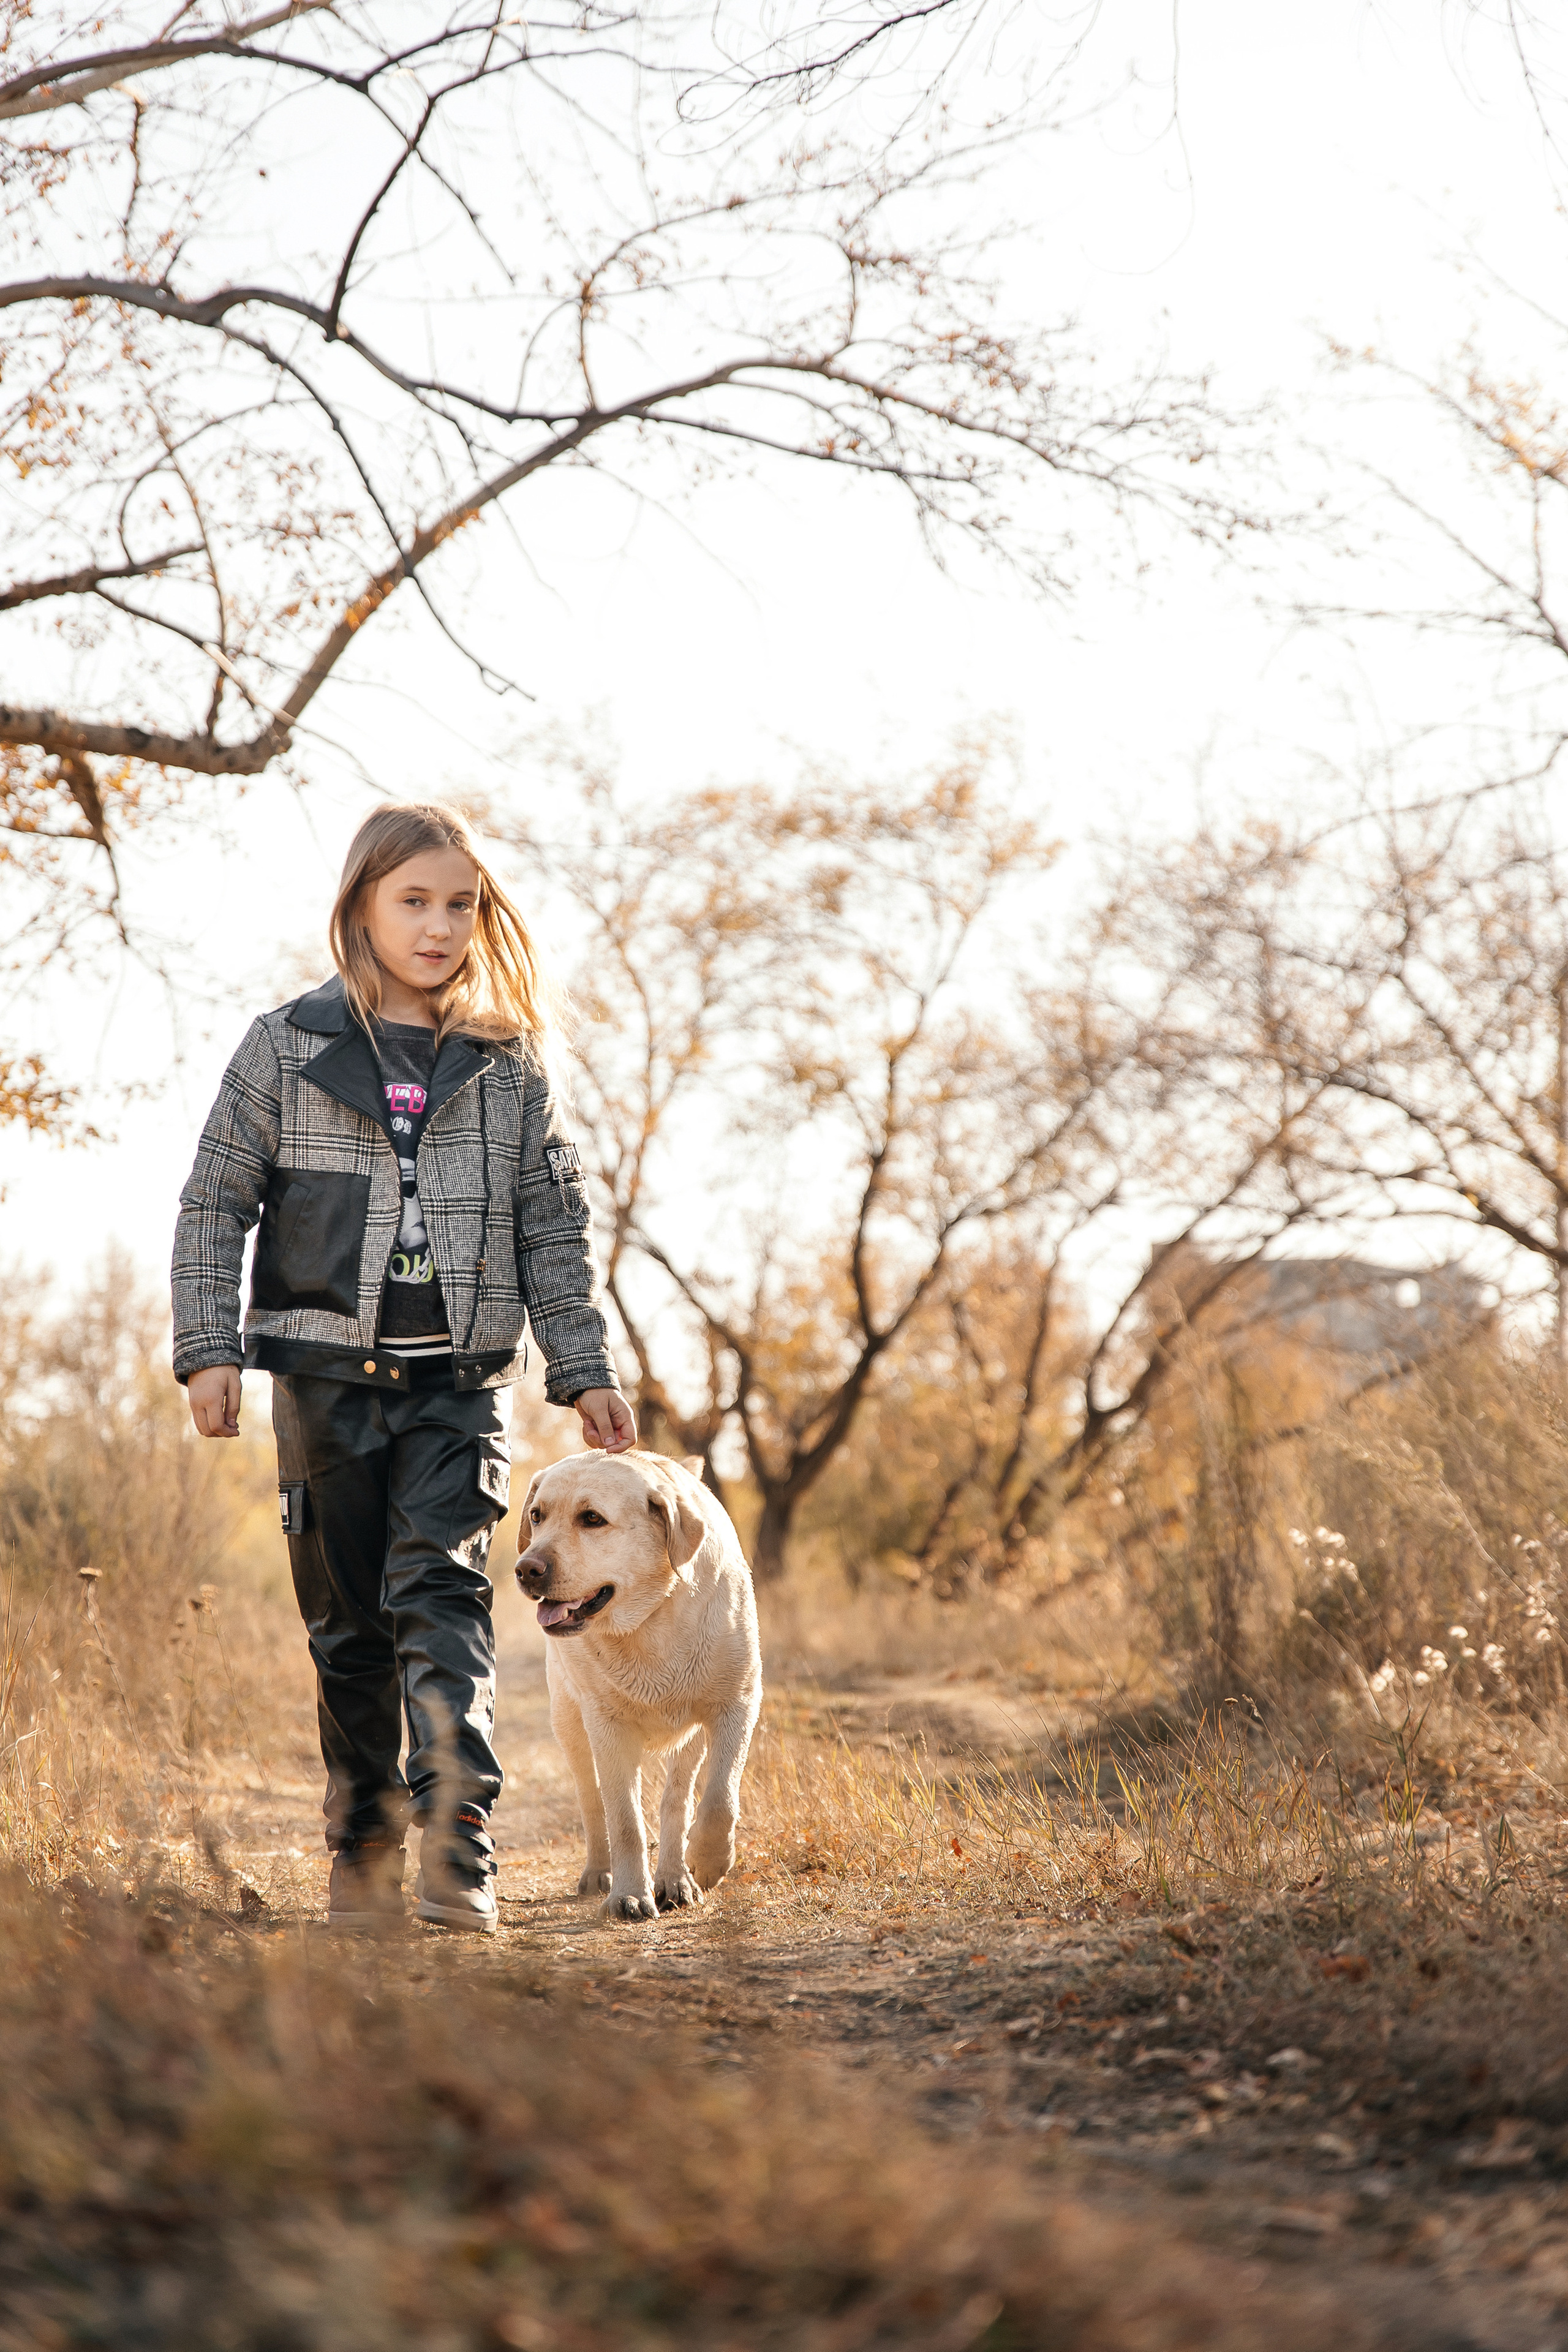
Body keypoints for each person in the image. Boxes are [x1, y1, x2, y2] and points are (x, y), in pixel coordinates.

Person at [172, 801, 635, 1934]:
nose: (438, 927)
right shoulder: (285, 1047)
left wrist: (581, 1367)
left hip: (458, 1386)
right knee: (348, 1630)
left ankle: (457, 1854)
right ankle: (365, 1855)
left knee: (444, 1602)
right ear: (361, 907)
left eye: (459, 904)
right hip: (322, 1384)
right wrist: (208, 1350)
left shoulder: (508, 1062)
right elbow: (213, 1205)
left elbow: (552, 1223)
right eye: (412, 901)